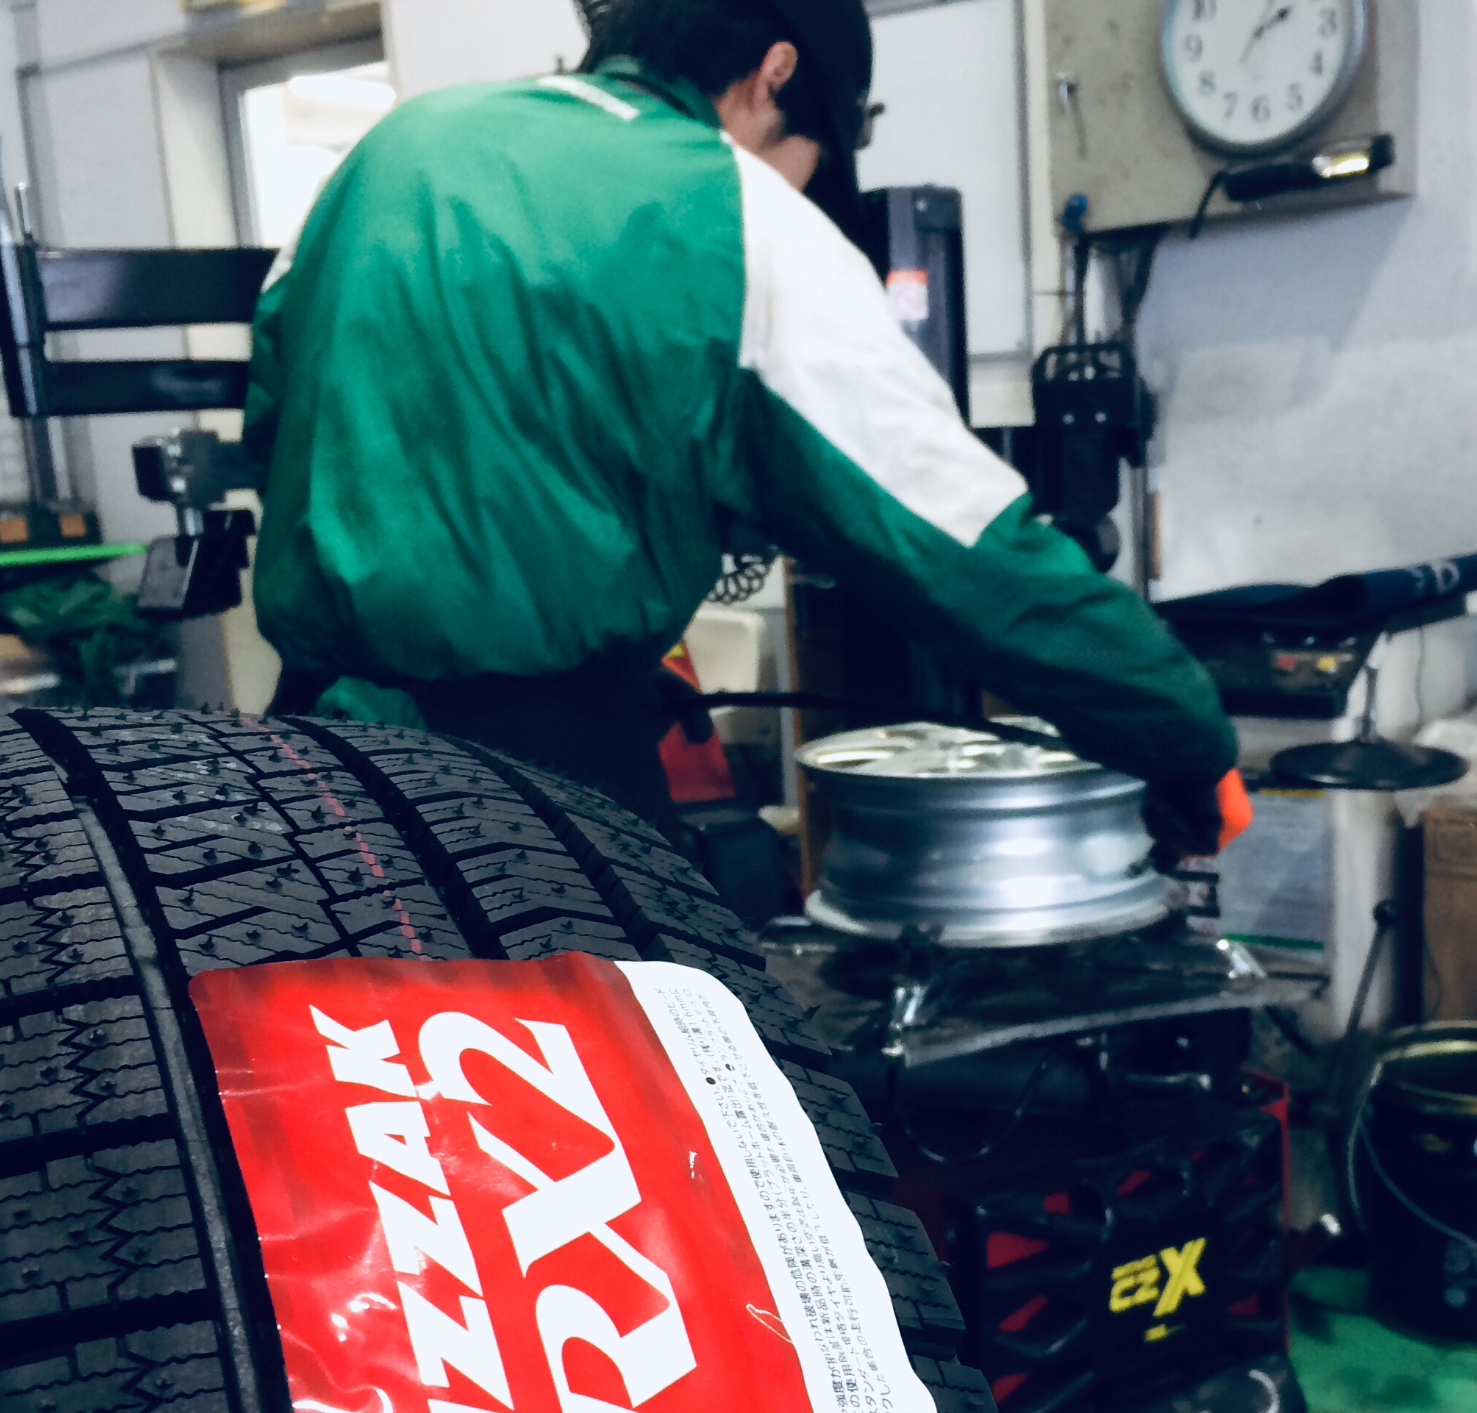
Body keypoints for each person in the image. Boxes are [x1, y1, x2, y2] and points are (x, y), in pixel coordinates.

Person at [245, 0, 1245, 859]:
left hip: (313, 767)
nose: (800, 188)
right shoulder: (730, 204)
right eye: (812, 162)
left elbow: (282, 427)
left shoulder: (391, 149)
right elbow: (961, 550)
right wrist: (1184, 738)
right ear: (774, 76)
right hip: (531, 796)